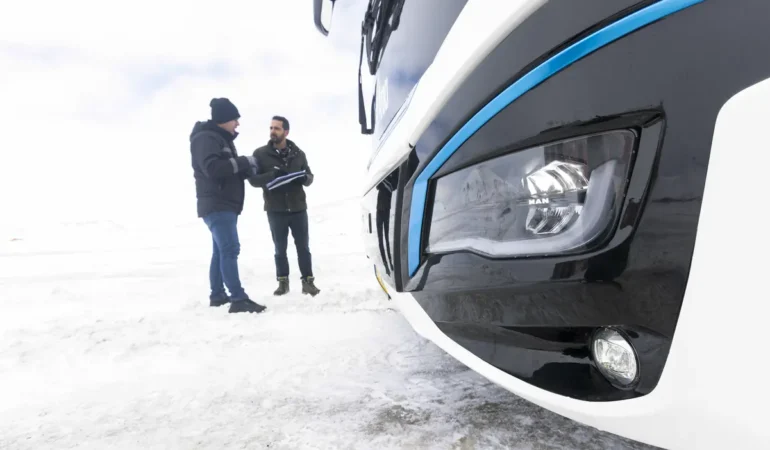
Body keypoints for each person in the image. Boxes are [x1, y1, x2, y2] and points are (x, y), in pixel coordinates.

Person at [189, 98, 267, 314]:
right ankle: (238, 299)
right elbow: (213, 169)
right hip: (218, 203)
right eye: (235, 119)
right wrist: (244, 161)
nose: (237, 124)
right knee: (230, 249)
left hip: (223, 203)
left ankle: (217, 295)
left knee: (220, 251)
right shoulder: (206, 138)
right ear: (223, 119)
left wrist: (246, 169)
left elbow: (226, 168)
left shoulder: (218, 138)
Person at [248, 116, 321, 297]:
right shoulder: (260, 154)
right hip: (275, 209)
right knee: (280, 249)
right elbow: (253, 180)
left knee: (303, 247)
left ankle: (308, 282)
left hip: (298, 208)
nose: (272, 131)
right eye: (271, 128)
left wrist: (305, 178)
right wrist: (272, 175)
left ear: (286, 132)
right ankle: (283, 283)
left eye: (277, 128)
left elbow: (310, 176)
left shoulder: (299, 153)